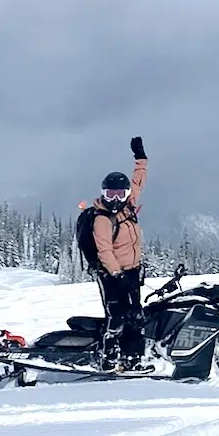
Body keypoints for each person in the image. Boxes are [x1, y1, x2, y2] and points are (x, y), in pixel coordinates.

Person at [82, 137, 148, 367]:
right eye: (111, 195)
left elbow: (138, 182)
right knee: (117, 316)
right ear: (103, 194)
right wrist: (117, 275)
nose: (116, 199)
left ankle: (133, 357)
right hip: (112, 275)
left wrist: (141, 158)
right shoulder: (102, 219)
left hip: (131, 272)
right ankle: (108, 358)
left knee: (136, 316)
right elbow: (104, 250)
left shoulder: (128, 207)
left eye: (120, 194)